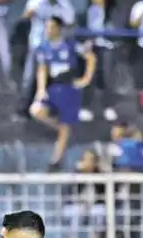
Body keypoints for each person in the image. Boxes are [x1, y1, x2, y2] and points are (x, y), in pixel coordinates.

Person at [29, 16, 97, 170]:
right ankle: (58, 127)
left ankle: (56, 160)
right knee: (36, 110)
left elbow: (91, 57)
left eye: (51, 27)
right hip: (53, 88)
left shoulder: (70, 45)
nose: (48, 30)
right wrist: (41, 90)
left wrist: (86, 79)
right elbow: (42, 69)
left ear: (58, 29)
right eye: (46, 27)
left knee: (66, 125)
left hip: (69, 89)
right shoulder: (44, 47)